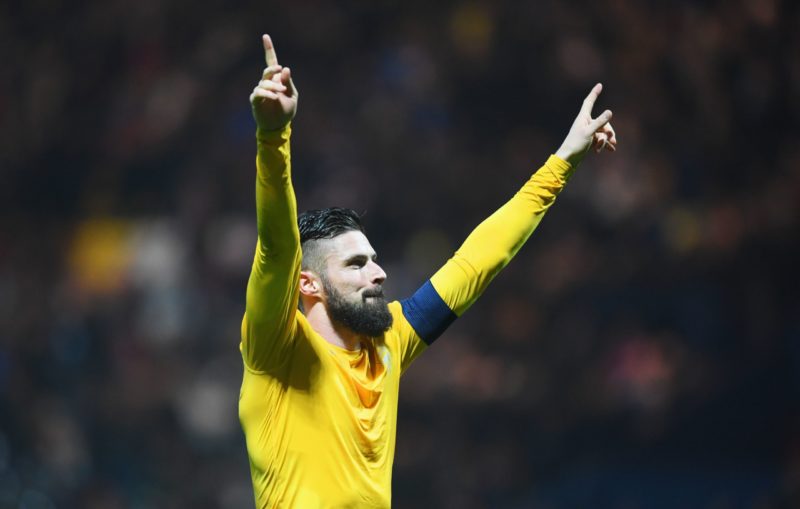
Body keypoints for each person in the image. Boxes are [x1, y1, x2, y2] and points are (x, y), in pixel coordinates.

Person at [239, 34, 617, 508]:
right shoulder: (276, 348)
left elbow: (477, 261)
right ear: (308, 283)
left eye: (374, 260)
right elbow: (277, 248)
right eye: (356, 264)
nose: (377, 274)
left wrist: (562, 160)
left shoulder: (388, 342)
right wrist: (273, 138)